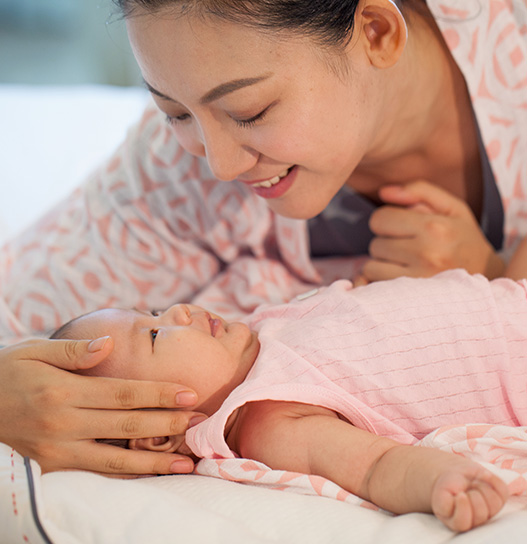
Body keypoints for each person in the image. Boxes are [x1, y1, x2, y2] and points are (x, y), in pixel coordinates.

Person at [1, 0, 526, 476]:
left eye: (250, 111)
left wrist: (494, 277)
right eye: (175, 112)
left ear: (376, 32)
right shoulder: (173, 172)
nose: (220, 164)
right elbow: (20, 303)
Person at [50, 269, 525, 532]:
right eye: (154, 332)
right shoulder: (267, 417)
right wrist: (441, 478)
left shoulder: (262, 328)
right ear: (155, 434)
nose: (177, 309)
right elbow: (376, 467)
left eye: (153, 310)